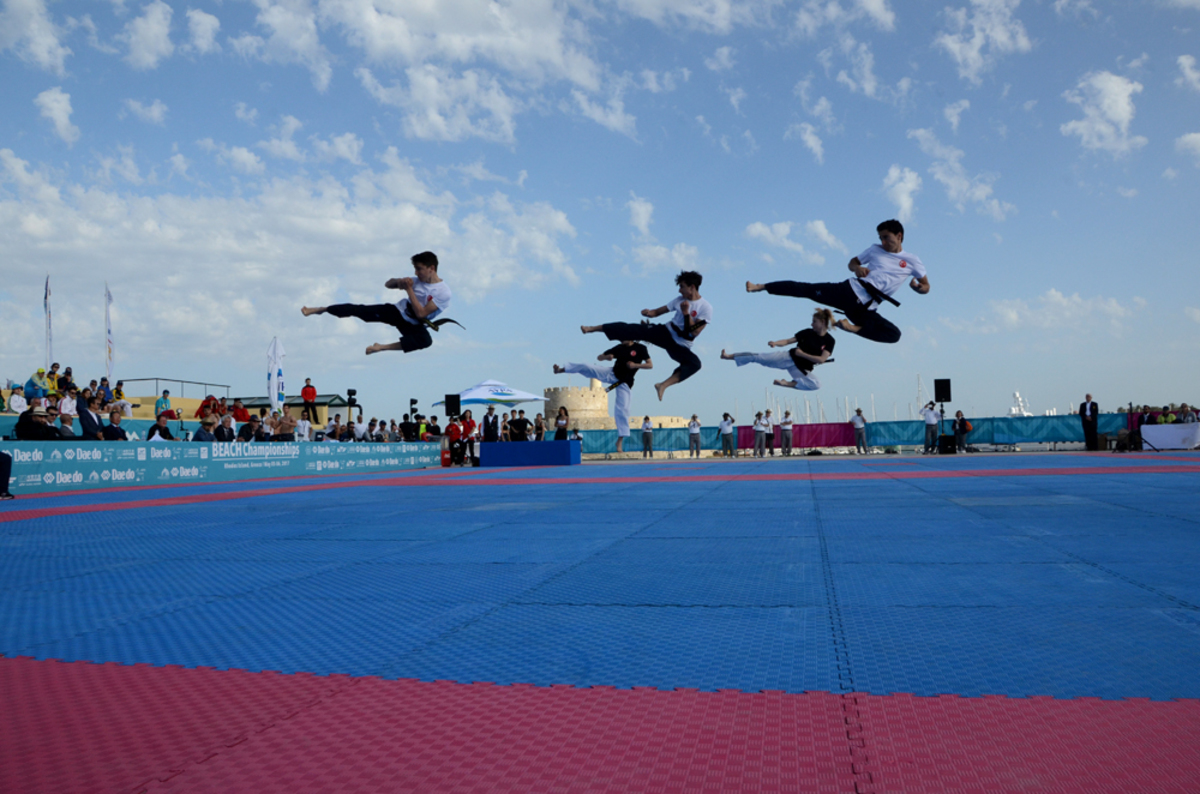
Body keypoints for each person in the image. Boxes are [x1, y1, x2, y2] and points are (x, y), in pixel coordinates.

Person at [746, 219, 929, 344]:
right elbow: (852, 262)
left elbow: (926, 286)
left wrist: (919, 288)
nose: (882, 241)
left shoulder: (913, 261)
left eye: (886, 237)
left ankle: (853, 328)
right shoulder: (875, 250)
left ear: (899, 236)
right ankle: (761, 286)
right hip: (848, 291)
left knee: (894, 334)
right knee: (806, 289)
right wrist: (857, 268)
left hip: (866, 309)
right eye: (880, 237)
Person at [582, 270, 712, 401]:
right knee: (632, 329)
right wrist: (650, 313)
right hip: (665, 332)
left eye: (682, 287)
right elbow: (657, 312)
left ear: (692, 287)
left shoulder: (705, 307)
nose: (679, 290)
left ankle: (662, 385)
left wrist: (686, 313)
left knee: (695, 364)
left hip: (680, 344)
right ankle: (593, 328)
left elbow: (694, 331)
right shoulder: (679, 300)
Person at [302, 251, 456, 356]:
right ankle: (322, 309)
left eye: (419, 269)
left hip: (414, 323)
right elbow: (387, 284)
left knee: (425, 341)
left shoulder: (443, 292)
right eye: (415, 269)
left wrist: (408, 289)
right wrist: (399, 281)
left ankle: (381, 347)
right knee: (360, 310)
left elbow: (421, 313)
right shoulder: (416, 281)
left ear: (432, 269)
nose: (416, 273)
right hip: (397, 311)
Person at [554, 339, 653, 453]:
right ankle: (561, 370)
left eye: (623, 338)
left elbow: (650, 365)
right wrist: (607, 357)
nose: (621, 340)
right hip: (612, 373)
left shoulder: (641, 348)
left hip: (625, 382)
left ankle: (619, 441)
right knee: (587, 367)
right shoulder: (619, 348)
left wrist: (635, 365)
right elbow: (599, 357)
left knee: (623, 409)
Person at [720, 308, 837, 391]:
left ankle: (788, 384)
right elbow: (787, 341)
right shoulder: (807, 332)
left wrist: (802, 354)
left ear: (822, 322)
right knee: (758, 357)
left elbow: (821, 359)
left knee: (817, 384)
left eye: (814, 322)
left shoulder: (829, 341)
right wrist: (776, 343)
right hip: (787, 358)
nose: (812, 324)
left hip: (800, 368)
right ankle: (728, 356)